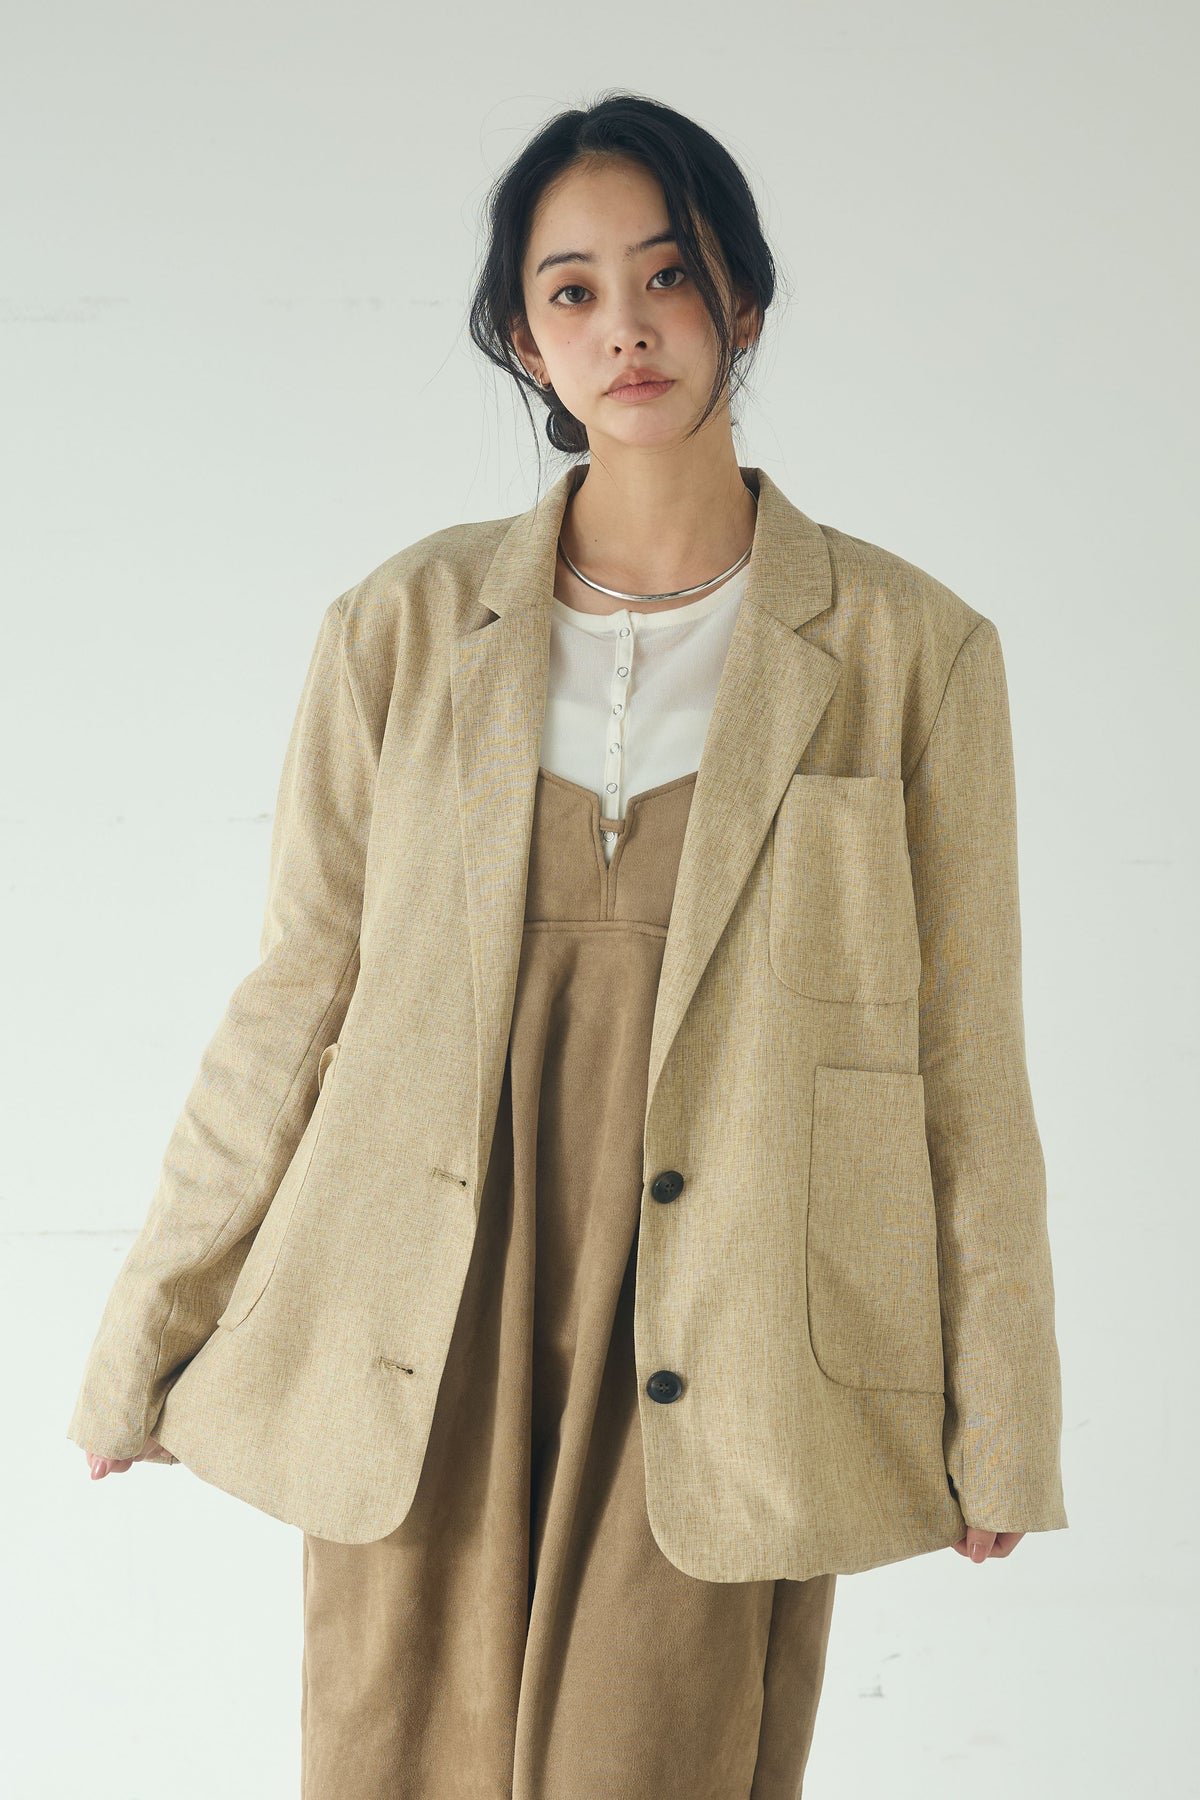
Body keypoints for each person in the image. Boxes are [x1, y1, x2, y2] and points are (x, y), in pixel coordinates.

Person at [70, 92, 1068, 1798]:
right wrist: (147, 1329)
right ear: (524, 341)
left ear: (745, 300)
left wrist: (1005, 1419)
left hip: (735, 1336)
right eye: (575, 291)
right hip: (422, 1323)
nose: (629, 327)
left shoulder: (913, 653)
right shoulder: (400, 630)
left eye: (670, 274)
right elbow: (296, 1000)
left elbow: (964, 1066)